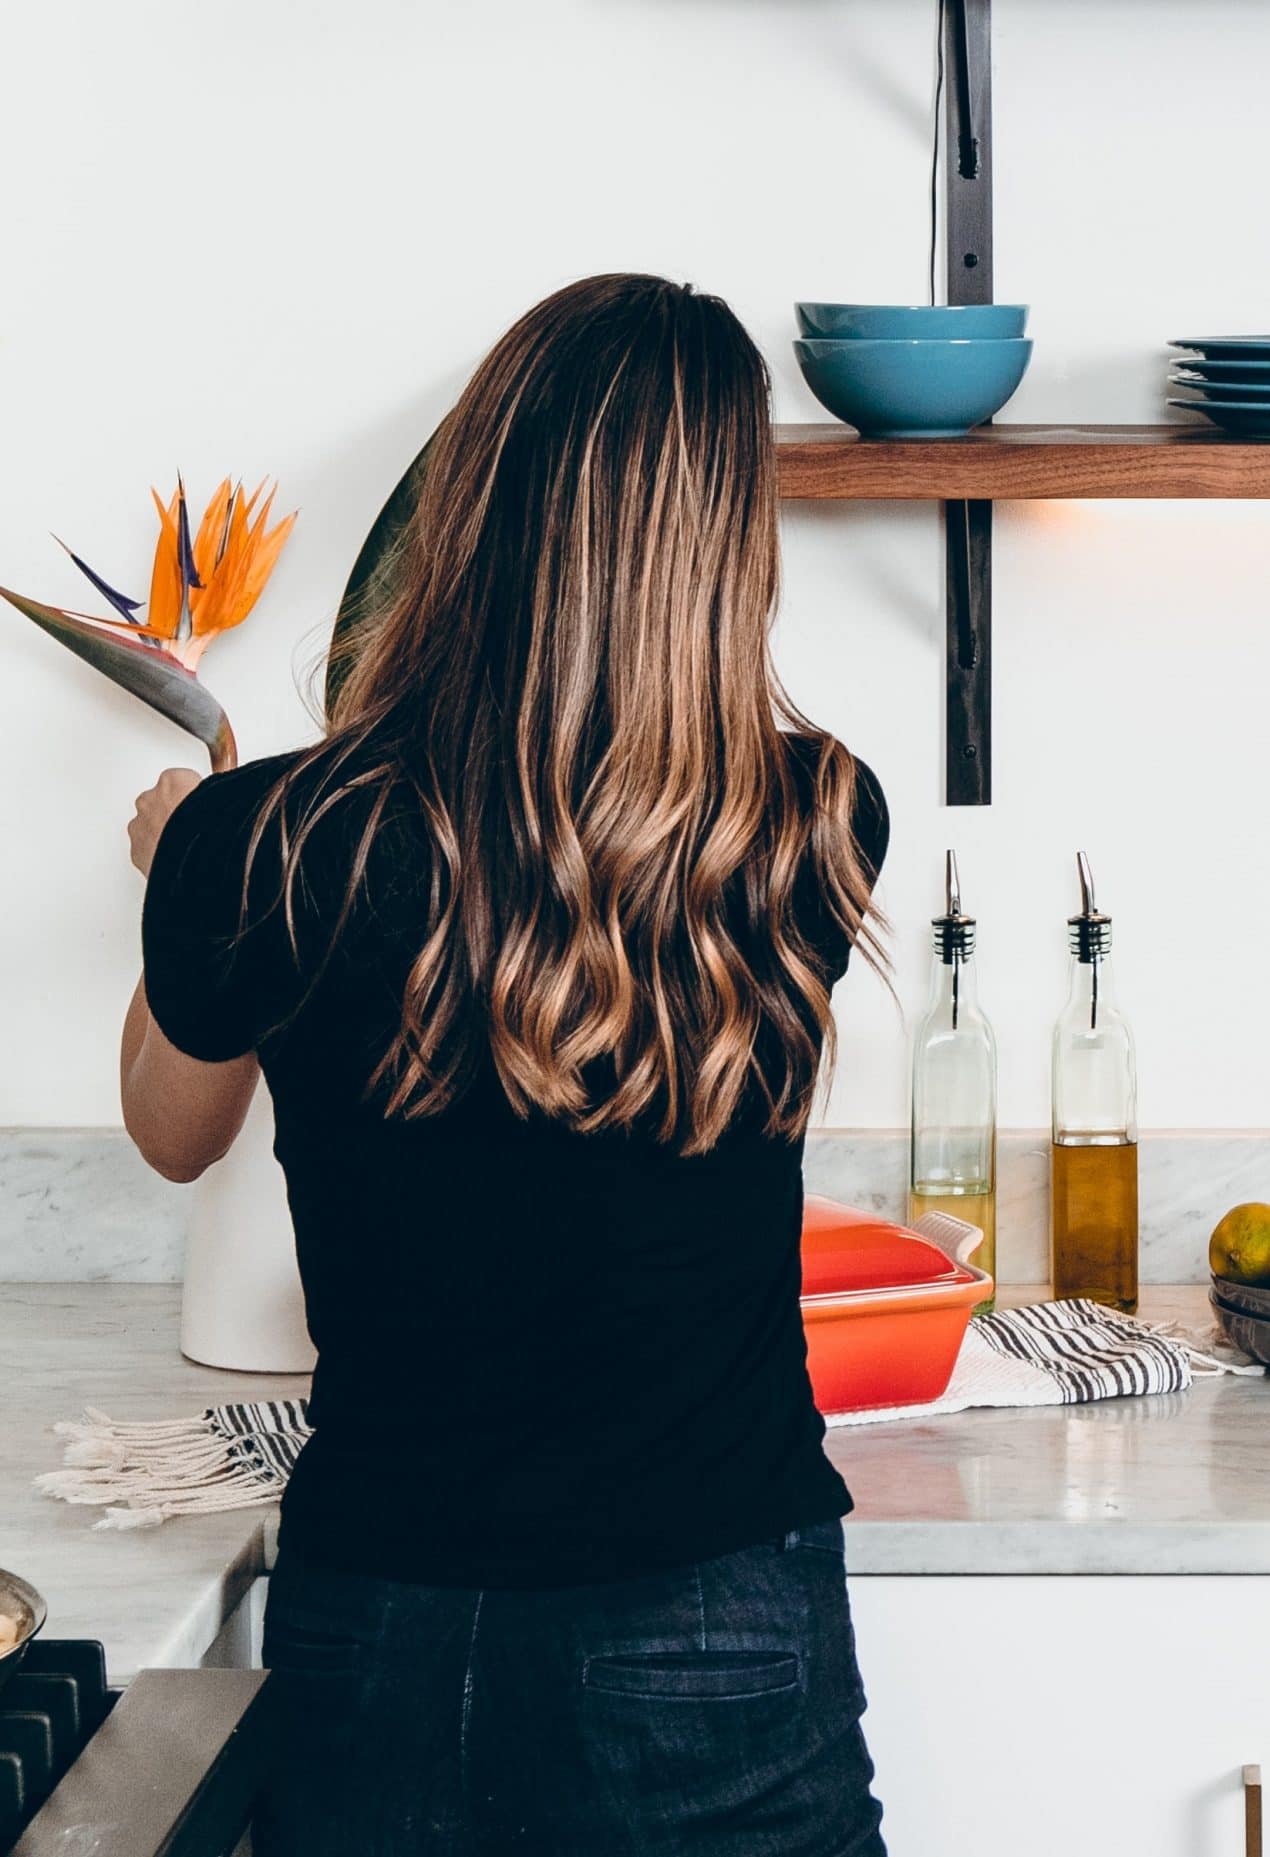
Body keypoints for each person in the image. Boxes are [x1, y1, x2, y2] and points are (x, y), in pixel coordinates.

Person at [119, 273, 893, 1856]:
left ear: (465, 500)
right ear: (728, 552)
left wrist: (180, 882)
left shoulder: (265, 839)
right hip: (718, 1612)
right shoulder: (813, 821)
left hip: (386, 1619)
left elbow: (168, 1130)